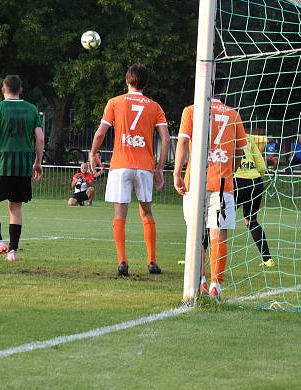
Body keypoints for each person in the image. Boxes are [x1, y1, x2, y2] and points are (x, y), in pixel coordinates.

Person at [89, 64, 170, 276]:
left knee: (120, 214)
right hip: (144, 166)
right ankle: (152, 261)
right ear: (146, 84)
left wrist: (93, 153)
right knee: (146, 212)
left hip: (121, 165)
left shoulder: (115, 102)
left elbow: (100, 133)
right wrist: (160, 168)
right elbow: (165, 138)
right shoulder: (154, 106)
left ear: (127, 81)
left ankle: (122, 261)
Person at [174, 73, 247, 301]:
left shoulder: (191, 110)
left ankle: (200, 280)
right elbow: (240, 152)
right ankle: (216, 285)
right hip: (223, 183)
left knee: (195, 232)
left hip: (195, 182)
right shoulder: (233, 114)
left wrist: (177, 172)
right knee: (219, 233)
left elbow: (184, 142)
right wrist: (228, 169)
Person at [0, 75, 44, 263]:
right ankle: (12, 252)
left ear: (3, 90)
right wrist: (38, 162)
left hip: (2, 164)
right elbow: (40, 138)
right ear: (21, 90)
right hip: (23, 166)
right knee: (15, 208)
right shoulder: (32, 109)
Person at [234, 135, 274, 267]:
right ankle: (267, 259)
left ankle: (196, 257)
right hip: (255, 182)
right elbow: (262, 166)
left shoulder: (225, 135)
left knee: (217, 220)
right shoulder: (248, 137)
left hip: (236, 181)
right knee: (251, 220)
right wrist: (257, 178)